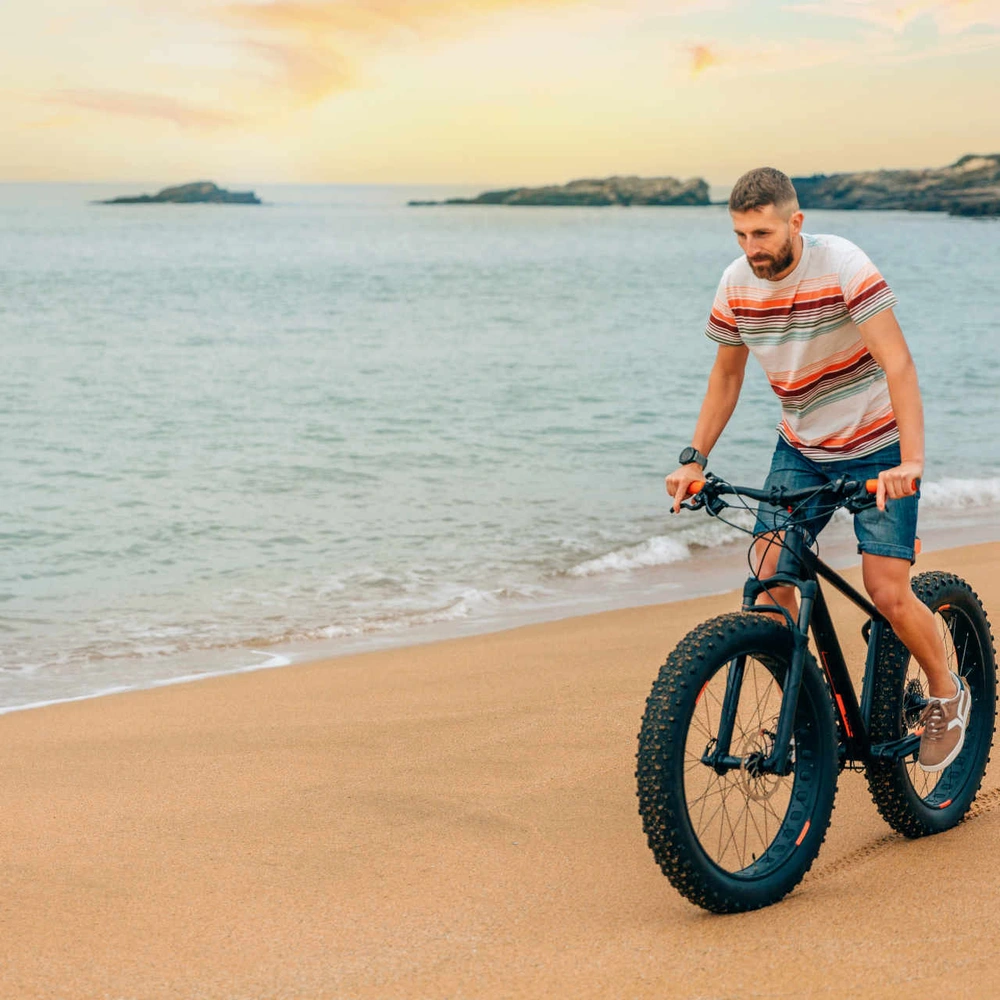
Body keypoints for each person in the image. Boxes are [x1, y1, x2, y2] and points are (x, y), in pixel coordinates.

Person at [664, 166, 969, 772]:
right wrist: (696, 459)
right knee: (769, 574)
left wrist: (911, 461)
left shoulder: (843, 265)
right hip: (801, 448)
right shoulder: (735, 284)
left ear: (795, 222)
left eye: (763, 233)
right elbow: (727, 375)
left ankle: (946, 692)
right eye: (741, 235)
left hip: (879, 447)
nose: (752, 249)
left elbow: (899, 364)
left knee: (886, 589)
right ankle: (819, 705)